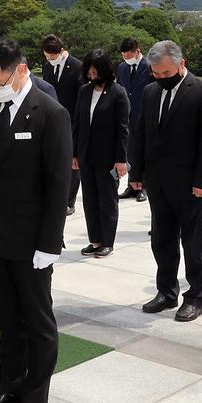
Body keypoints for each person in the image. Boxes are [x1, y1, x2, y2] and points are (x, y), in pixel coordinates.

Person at [0, 37, 71, 403]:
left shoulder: (50, 113)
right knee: (8, 322)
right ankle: (9, 390)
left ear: (20, 69)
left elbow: (58, 184)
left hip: (30, 242)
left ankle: (36, 401)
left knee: (38, 322)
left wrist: (49, 242)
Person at [129, 40, 202, 322]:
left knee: (193, 243)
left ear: (181, 64)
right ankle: (166, 292)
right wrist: (136, 174)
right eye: (155, 73)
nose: (160, 78)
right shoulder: (150, 91)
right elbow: (141, 133)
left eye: (165, 74)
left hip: (191, 183)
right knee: (162, 239)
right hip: (158, 181)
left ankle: (195, 297)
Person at [72, 49, 130, 258]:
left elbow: (123, 129)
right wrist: (74, 153)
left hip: (108, 158)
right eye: (89, 70)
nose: (92, 74)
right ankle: (94, 239)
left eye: (96, 70)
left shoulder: (118, 92)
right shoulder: (84, 91)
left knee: (107, 199)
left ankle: (107, 241)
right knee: (90, 198)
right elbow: (77, 123)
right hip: (86, 155)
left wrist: (121, 160)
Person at [41, 34, 83, 215]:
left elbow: (82, 97)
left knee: (72, 163)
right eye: (46, 56)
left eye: (52, 56)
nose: (49, 60)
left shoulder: (77, 66)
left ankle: (69, 201)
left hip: (73, 120)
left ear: (61, 52)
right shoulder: (47, 68)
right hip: (53, 120)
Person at [117, 37, 152, 203]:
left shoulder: (150, 66)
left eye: (129, 55)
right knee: (130, 151)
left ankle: (143, 186)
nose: (126, 59)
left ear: (138, 51)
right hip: (127, 116)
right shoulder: (122, 68)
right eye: (124, 56)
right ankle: (132, 185)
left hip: (145, 114)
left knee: (144, 150)